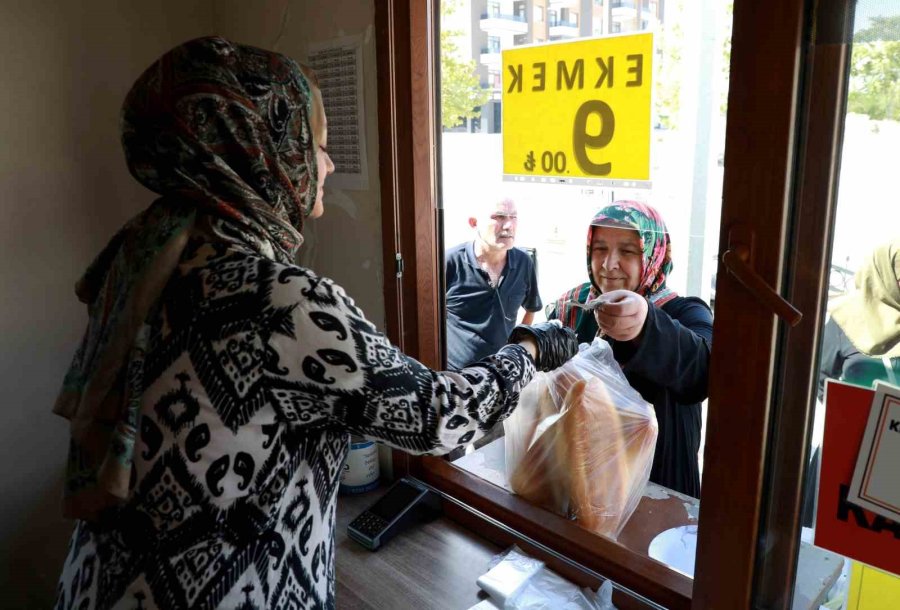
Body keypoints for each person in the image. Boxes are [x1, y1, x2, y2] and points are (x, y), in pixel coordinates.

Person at [52, 37, 577, 610]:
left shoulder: (141, 255)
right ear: (261, 153)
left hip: (100, 581)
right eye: (318, 146)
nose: (326, 164)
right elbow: (436, 417)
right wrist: (526, 349)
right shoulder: (281, 301)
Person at [547, 201, 712, 497]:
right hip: (584, 488)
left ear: (652, 253)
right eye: (600, 249)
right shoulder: (574, 308)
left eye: (627, 251)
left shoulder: (686, 312)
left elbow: (702, 370)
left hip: (658, 493)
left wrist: (646, 324)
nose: (609, 264)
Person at [802, 238, 900, 525]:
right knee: (835, 547)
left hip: (894, 459)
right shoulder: (847, 319)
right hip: (848, 451)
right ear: (884, 273)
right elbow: (820, 378)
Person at [445, 197, 543, 370]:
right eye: (499, 217)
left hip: (502, 378)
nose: (508, 225)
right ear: (474, 223)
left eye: (513, 217)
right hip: (456, 379)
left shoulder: (523, 263)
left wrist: (517, 350)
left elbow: (531, 308)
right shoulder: (450, 262)